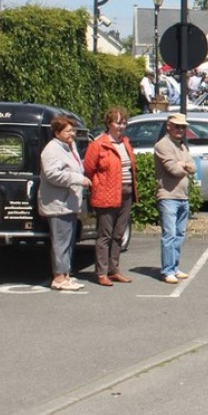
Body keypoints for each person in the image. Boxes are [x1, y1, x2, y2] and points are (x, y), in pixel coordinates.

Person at [83, 107, 137, 286]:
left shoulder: (125, 142)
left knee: (118, 234)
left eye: (124, 123)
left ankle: (114, 270)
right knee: (104, 235)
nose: (121, 126)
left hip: (126, 192)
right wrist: (99, 185)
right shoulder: (98, 144)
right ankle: (101, 272)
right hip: (106, 194)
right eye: (118, 122)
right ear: (108, 123)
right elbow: (89, 169)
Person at [38, 114, 90, 291]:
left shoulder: (69, 147)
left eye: (73, 130)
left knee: (68, 240)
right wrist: (77, 179)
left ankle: (66, 274)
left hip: (69, 203)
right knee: (60, 241)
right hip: (58, 204)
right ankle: (59, 277)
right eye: (68, 131)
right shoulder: (52, 149)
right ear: (57, 132)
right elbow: (52, 174)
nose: (72, 134)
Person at [154, 113, 195, 284]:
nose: (181, 130)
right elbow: (173, 170)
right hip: (168, 195)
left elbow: (192, 167)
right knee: (169, 234)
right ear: (168, 126)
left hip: (182, 196)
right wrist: (183, 166)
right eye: (177, 126)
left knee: (180, 234)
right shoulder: (162, 145)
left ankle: (175, 267)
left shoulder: (182, 146)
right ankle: (168, 270)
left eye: (183, 127)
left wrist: (183, 164)